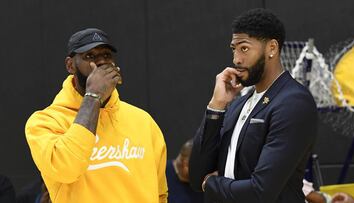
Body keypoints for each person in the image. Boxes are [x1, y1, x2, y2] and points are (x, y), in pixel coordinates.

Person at [189, 8, 318, 203]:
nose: (236, 59)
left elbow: (261, 191)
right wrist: (215, 107)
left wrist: (211, 185)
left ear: (272, 48)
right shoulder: (237, 104)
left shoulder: (294, 102)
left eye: (244, 48)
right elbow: (197, 175)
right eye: (234, 49)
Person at [25, 28, 168, 203]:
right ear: (70, 65)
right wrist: (93, 97)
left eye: (107, 55)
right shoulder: (45, 122)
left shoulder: (143, 121)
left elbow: (160, 193)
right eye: (90, 57)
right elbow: (66, 169)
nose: (101, 62)